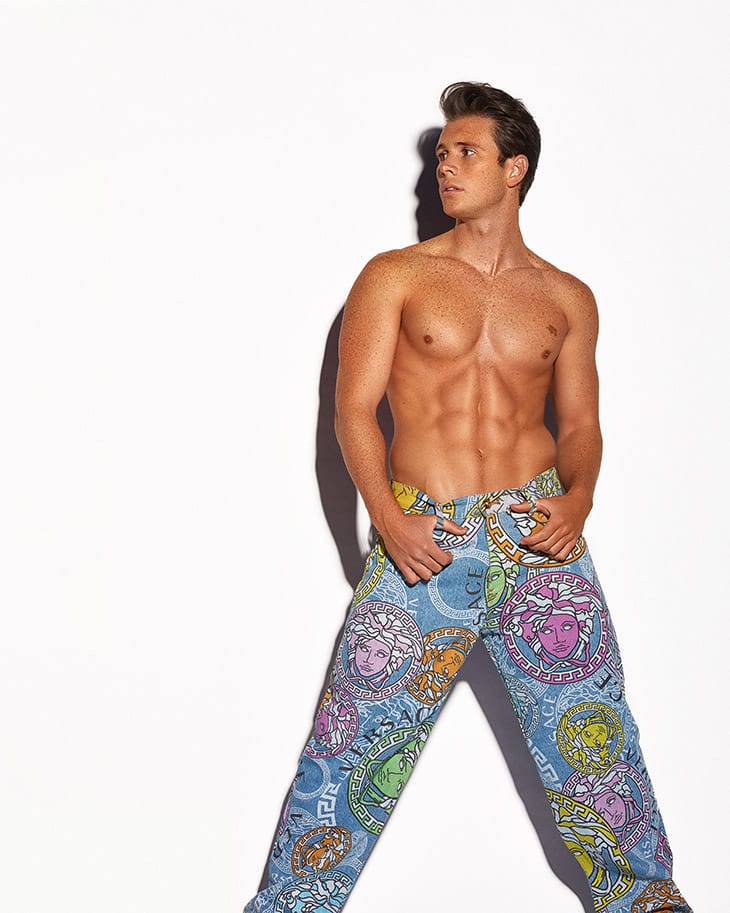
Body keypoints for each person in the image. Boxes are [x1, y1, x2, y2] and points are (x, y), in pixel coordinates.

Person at [243, 82, 691, 913]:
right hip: (426, 537)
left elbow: (581, 424)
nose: (445, 166)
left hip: (537, 537)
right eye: (442, 153)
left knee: (598, 754)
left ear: (514, 169)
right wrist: (388, 520)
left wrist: (580, 498)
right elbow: (351, 410)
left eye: (466, 152)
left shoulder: (566, 297)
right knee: (348, 749)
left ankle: (649, 903)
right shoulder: (395, 275)